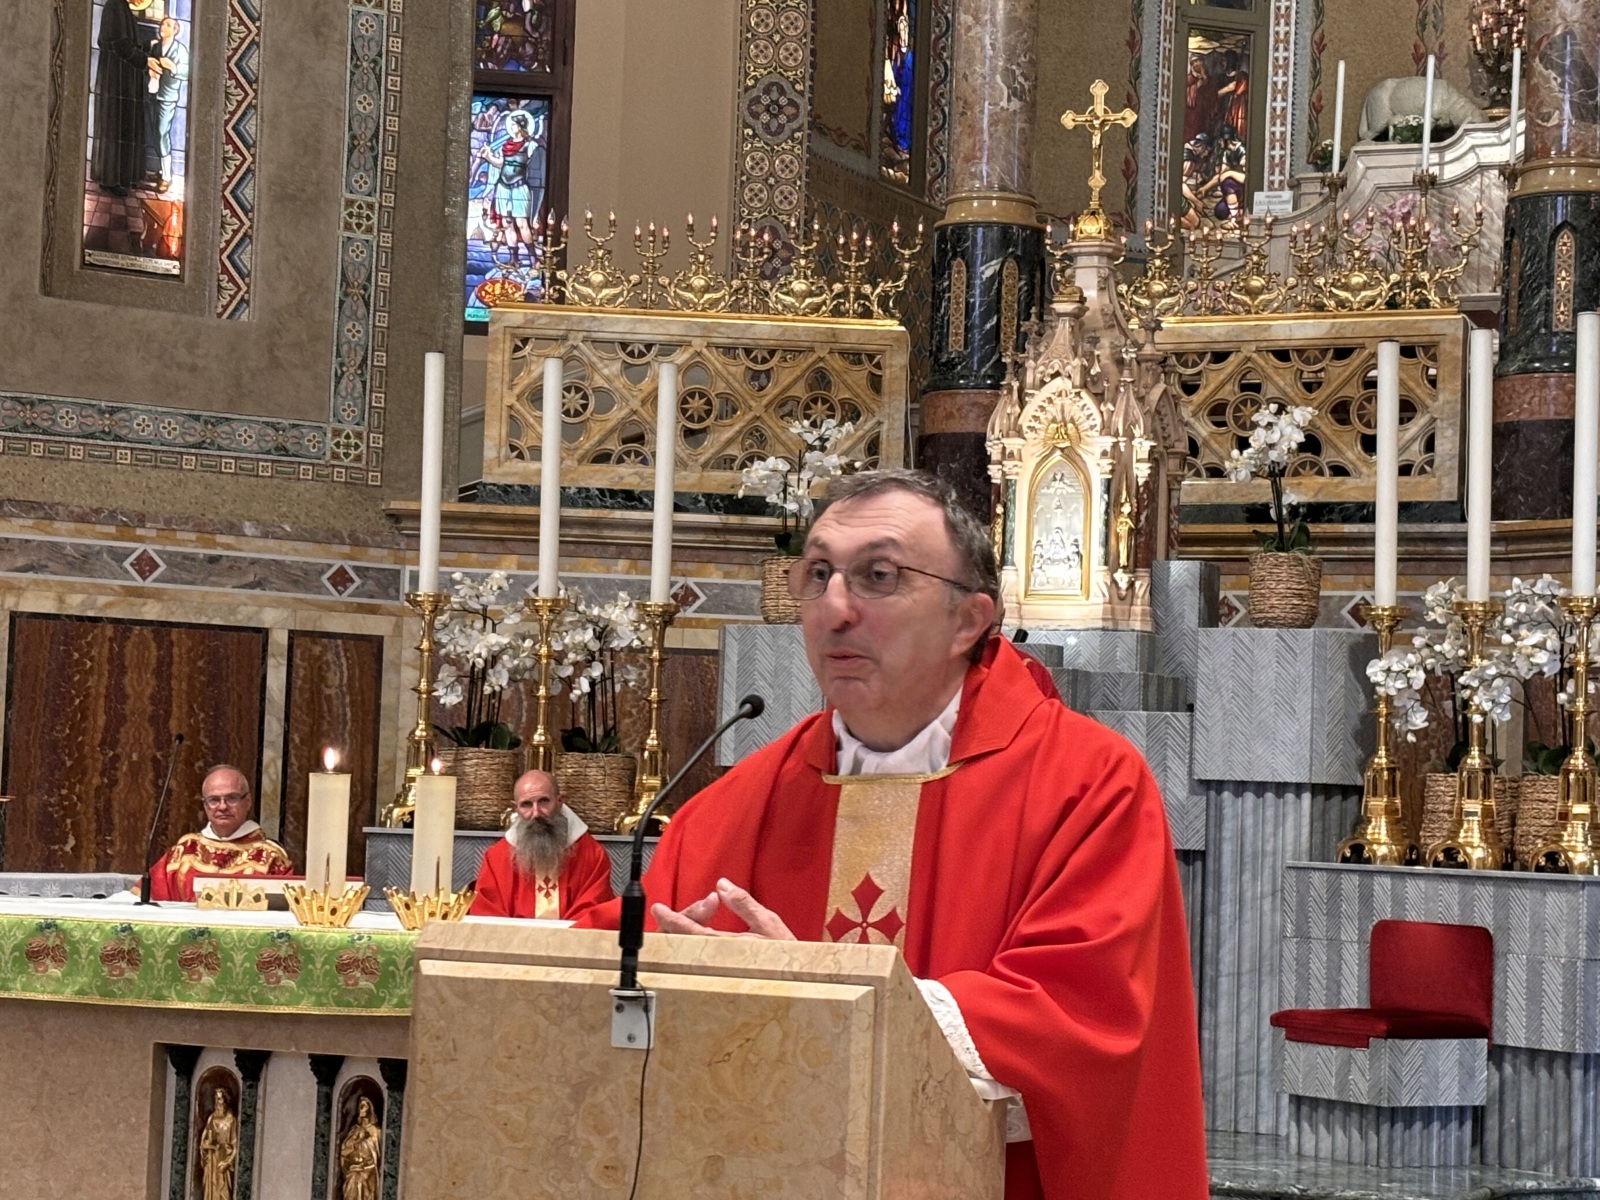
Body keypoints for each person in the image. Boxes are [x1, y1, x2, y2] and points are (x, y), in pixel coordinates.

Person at [577, 469, 1207, 1200]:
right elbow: (611, 965)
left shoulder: (1087, 786)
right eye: (818, 574)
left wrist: (823, 997)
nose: (834, 608)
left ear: (968, 620)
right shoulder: (738, 805)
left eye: (879, 576)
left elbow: (1075, 1022)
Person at [468, 769, 613, 920]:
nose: (536, 813)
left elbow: (593, 913)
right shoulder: (496, 857)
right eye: (526, 805)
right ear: (515, 807)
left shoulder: (592, 855)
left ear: (560, 801)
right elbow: (487, 914)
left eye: (544, 801)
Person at [142, 765, 292, 902]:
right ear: (205, 805)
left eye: (231, 798)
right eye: (214, 800)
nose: (222, 806)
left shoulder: (270, 856)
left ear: (247, 802)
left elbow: (287, 907)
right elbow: (145, 900)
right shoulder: (184, 850)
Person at [90, 0, 151, 194]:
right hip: (115, 78)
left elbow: (129, 44)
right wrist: (145, 60)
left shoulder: (124, 9)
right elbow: (120, 44)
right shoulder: (115, 6)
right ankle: (111, 179)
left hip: (125, 79)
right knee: (114, 125)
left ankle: (125, 177)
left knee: (126, 126)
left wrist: (146, 48)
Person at [146, 16, 189, 194]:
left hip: (168, 96)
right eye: (162, 24)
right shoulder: (155, 47)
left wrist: (172, 66)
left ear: (175, 30)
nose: (163, 27)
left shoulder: (180, 50)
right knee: (155, 132)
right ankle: (162, 170)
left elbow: (186, 72)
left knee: (162, 132)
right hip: (153, 93)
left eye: (168, 25)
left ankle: (167, 177)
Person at [197, 1088, 237, 1200]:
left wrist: (228, 1162)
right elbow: (203, 1141)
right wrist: (206, 1146)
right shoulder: (212, 1118)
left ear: (225, 1100)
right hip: (211, 1162)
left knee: (224, 1193)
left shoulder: (231, 1120)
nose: (218, 1102)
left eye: (220, 1099)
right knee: (210, 1191)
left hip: (223, 1162)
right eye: (216, 1099)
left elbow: (235, 1145)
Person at [338, 1096, 381, 1200]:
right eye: (359, 1106)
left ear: (370, 1108)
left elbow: (377, 1153)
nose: (360, 1109)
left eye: (364, 1106)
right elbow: (344, 1150)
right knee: (351, 1188)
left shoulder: (376, 1131)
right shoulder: (355, 1130)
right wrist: (356, 1139)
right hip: (354, 1169)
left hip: (369, 1170)